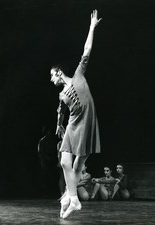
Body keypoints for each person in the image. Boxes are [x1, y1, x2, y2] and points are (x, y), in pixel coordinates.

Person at [50, 9, 101, 219]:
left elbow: (87, 49)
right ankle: (73, 199)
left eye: (52, 76)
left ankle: (67, 198)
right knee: (64, 162)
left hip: (88, 122)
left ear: (59, 73)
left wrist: (91, 27)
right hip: (73, 124)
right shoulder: (62, 95)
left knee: (79, 164)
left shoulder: (79, 73)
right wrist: (59, 125)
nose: (51, 80)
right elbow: (60, 116)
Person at [37, 125, 58, 197]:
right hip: (45, 160)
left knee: (52, 176)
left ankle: (51, 191)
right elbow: (40, 152)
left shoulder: (52, 141)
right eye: (48, 131)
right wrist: (42, 161)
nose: (49, 133)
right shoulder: (42, 141)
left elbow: (55, 151)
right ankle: (45, 192)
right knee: (45, 177)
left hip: (52, 160)